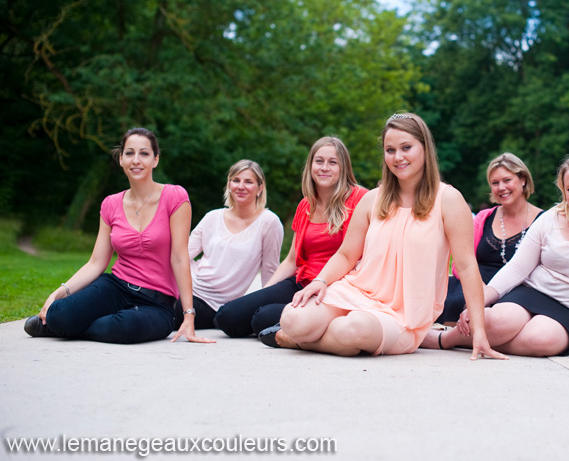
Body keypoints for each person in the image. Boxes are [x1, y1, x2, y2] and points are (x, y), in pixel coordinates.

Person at [263, 113, 505, 360]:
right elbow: (346, 255)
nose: (398, 157)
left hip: (402, 316)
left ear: (425, 148)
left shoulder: (449, 200)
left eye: (406, 147)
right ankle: (311, 337)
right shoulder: (372, 199)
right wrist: (321, 281)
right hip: (356, 292)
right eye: (390, 150)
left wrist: (479, 332)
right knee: (292, 319)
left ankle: (301, 342)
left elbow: (466, 266)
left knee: (351, 329)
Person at [426, 155, 569, 356]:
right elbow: (516, 268)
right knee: (493, 319)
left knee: (539, 338)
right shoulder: (550, 218)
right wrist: (477, 303)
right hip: (531, 293)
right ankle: (444, 340)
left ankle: (479, 340)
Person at [24, 128, 213, 344]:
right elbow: (96, 263)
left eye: (144, 153)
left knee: (124, 327)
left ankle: (70, 328)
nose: (136, 160)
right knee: (58, 313)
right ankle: (65, 323)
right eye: (129, 153)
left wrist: (188, 315)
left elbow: (179, 257)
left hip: (156, 303)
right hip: (116, 288)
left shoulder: (175, 197)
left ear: (155, 160)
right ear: (121, 159)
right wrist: (59, 292)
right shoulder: (110, 204)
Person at [214, 137, 368, 338]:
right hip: (301, 282)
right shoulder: (306, 205)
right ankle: (295, 319)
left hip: (333, 288)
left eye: (333, 162)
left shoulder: (359, 199)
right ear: (310, 165)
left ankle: (312, 321)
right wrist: (264, 293)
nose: (324, 167)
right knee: (227, 316)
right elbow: (291, 260)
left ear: (344, 168)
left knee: (262, 318)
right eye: (319, 161)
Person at [171, 160, 284, 330]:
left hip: (213, 304)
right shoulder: (212, 217)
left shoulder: (269, 222)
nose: (241, 186)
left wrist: (268, 311)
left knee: (171, 312)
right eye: (236, 180)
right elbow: (182, 254)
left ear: (260, 188)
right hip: (188, 287)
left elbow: (270, 271)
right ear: (229, 185)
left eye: (248, 182)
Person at [437, 152, 543, 323]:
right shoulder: (483, 218)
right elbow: (459, 262)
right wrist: (481, 289)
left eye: (507, 180)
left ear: (523, 180)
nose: (501, 187)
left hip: (517, 292)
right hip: (473, 285)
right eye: (495, 183)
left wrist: (492, 293)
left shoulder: (544, 221)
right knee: (437, 298)